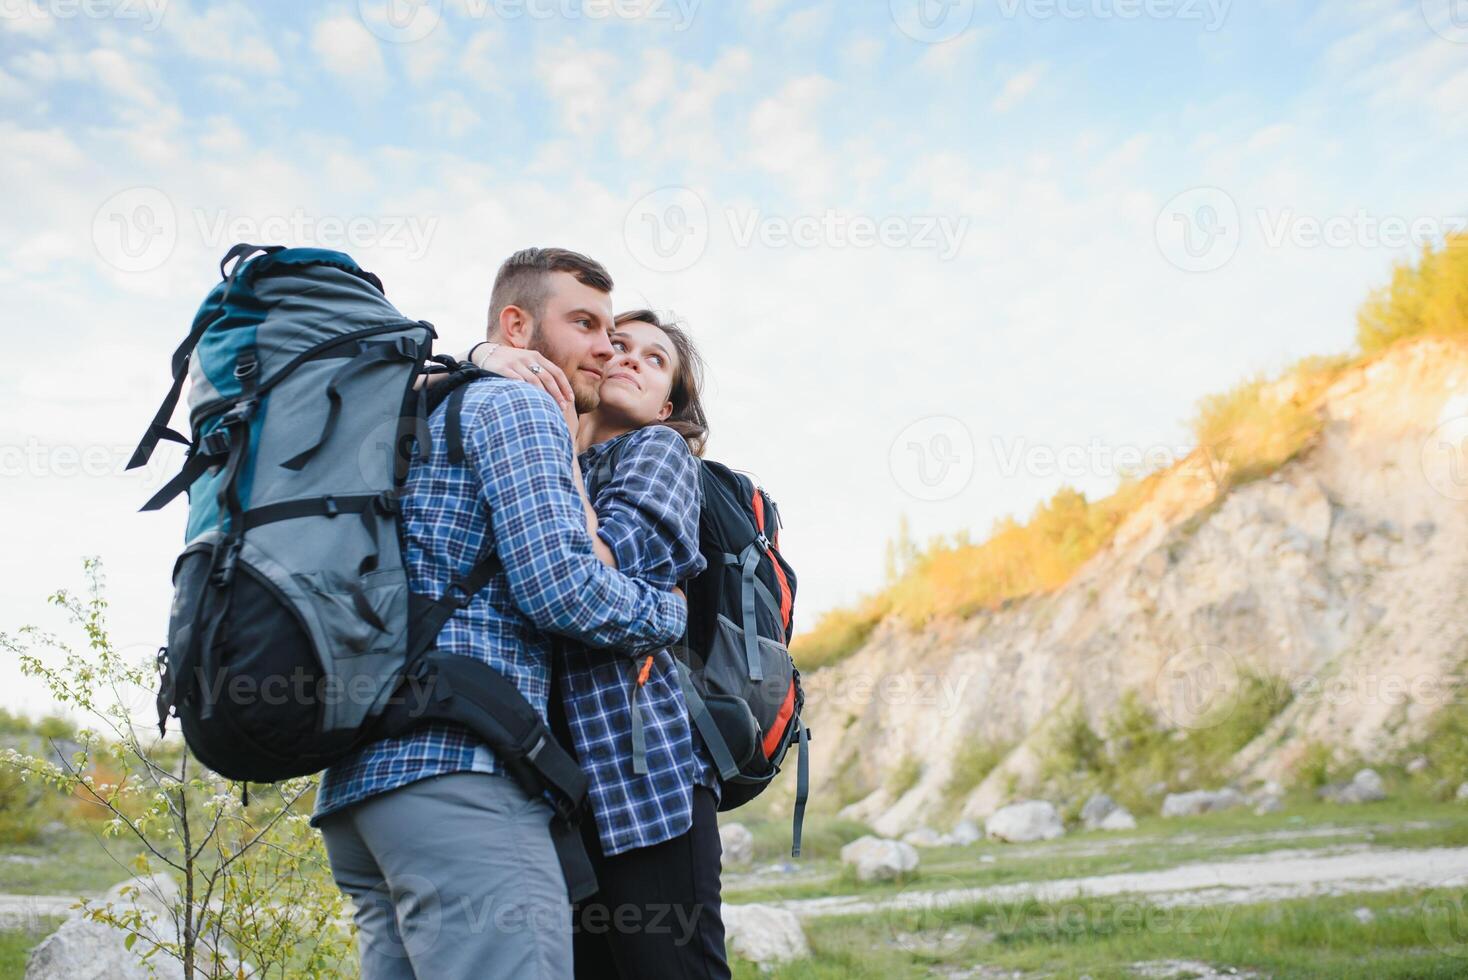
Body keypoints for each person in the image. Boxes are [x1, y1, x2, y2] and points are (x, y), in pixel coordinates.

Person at [312, 248, 688, 980]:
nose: (607, 347)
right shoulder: (519, 404)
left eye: (611, 329)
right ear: (516, 325)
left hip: (361, 792)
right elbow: (563, 589)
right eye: (585, 323)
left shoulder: (422, 405)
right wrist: (669, 612)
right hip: (461, 778)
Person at [471, 309, 729, 978]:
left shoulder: (657, 452)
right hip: (552, 788)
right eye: (618, 345)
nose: (629, 359)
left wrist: (556, 447)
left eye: (654, 359)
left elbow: (599, 570)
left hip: (643, 785)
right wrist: (487, 354)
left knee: (673, 969)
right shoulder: (541, 446)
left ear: (666, 404)